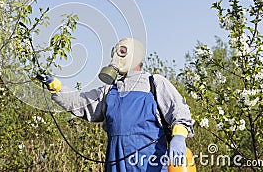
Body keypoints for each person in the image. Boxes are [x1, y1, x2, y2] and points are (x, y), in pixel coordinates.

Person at [40, 38, 194, 172]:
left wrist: (179, 136)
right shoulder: (110, 90)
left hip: (149, 165)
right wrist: (57, 88)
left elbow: (180, 112)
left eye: (121, 52)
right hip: (115, 165)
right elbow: (81, 103)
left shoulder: (154, 84)